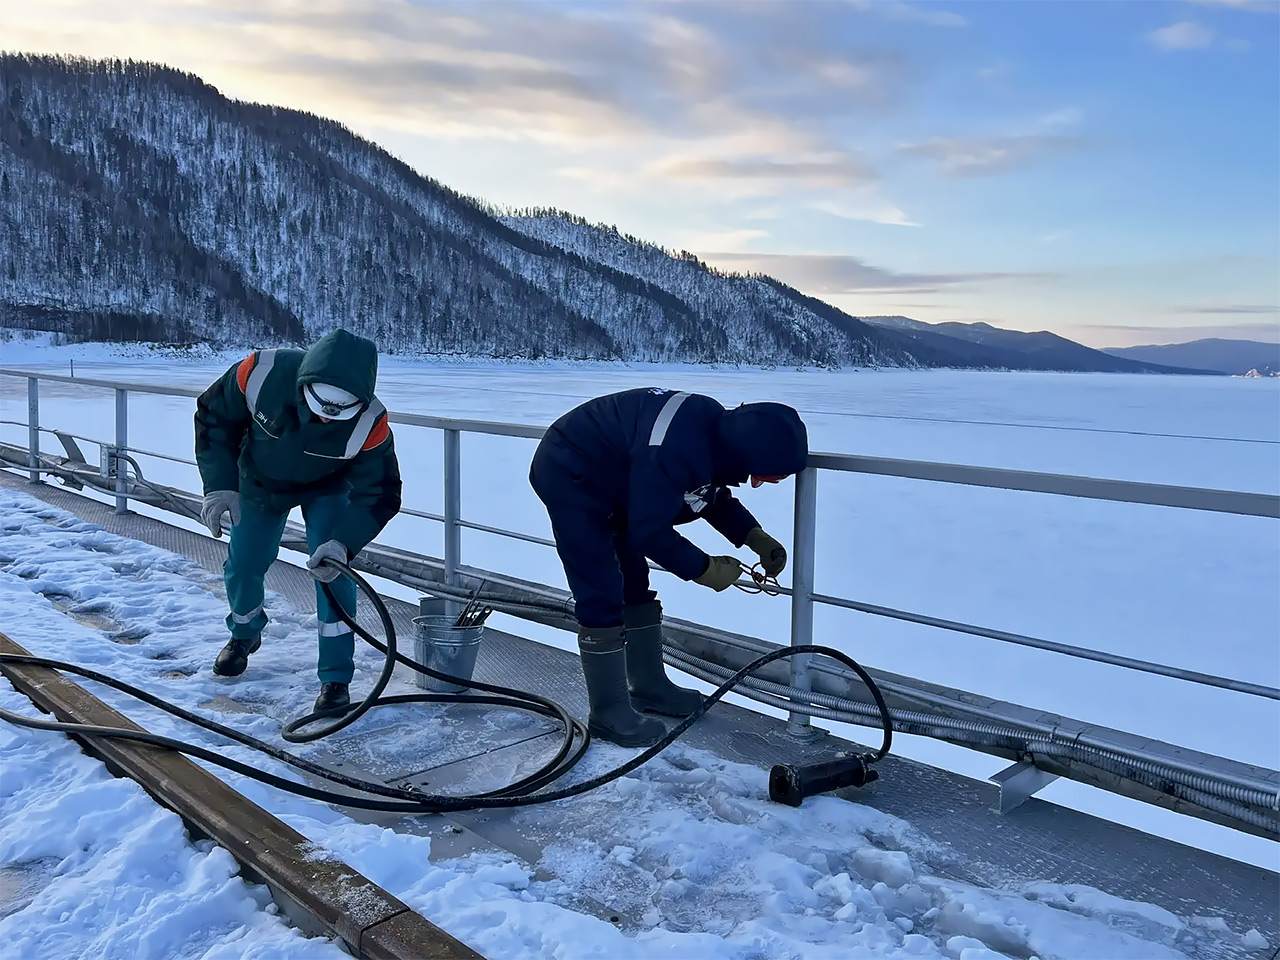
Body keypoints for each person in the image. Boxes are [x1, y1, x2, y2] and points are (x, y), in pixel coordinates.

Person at [530, 388, 807, 747]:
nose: (758, 482)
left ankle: (647, 686)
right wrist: (705, 569)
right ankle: (609, 713)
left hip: (622, 480)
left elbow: (706, 495)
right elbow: (650, 530)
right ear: (746, 454)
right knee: (600, 588)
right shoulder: (675, 448)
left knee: (634, 581)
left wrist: (753, 536)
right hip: (572, 471)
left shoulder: (713, 434)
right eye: (763, 475)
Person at [194, 329, 402, 716]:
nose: (327, 414)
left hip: (329, 488)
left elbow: (381, 493)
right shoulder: (258, 373)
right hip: (258, 483)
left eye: (340, 410)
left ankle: (336, 678)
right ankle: (243, 634)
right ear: (304, 383)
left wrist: (343, 542)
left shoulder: (371, 423)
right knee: (244, 564)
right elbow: (214, 418)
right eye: (321, 402)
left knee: (333, 574)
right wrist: (220, 486)